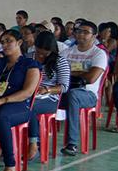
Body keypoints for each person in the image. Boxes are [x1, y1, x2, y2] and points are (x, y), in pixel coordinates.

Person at [0, 30, 41, 171]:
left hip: (19, 106)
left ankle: (11, 167)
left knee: (1, 116)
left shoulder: (30, 65)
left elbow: (28, 92)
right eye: (3, 42)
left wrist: (1, 101)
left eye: (9, 41)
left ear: (19, 43)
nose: (5, 45)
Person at [60, 20, 108, 155]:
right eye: (79, 31)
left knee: (73, 95)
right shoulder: (67, 52)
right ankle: (36, 142)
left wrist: (69, 72)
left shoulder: (98, 54)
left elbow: (91, 78)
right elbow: (57, 73)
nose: (81, 34)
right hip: (64, 91)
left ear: (94, 36)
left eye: (85, 32)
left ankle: (72, 144)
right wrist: (81, 73)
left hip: (88, 95)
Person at [28, 31, 70, 158]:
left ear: (51, 49)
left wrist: (47, 89)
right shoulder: (29, 57)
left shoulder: (59, 61)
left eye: (45, 51)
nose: (40, 54)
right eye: (38, 49)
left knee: (30, 106)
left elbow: (64, 87)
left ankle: (34, 143)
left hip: (49, 98)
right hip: (29, 93)